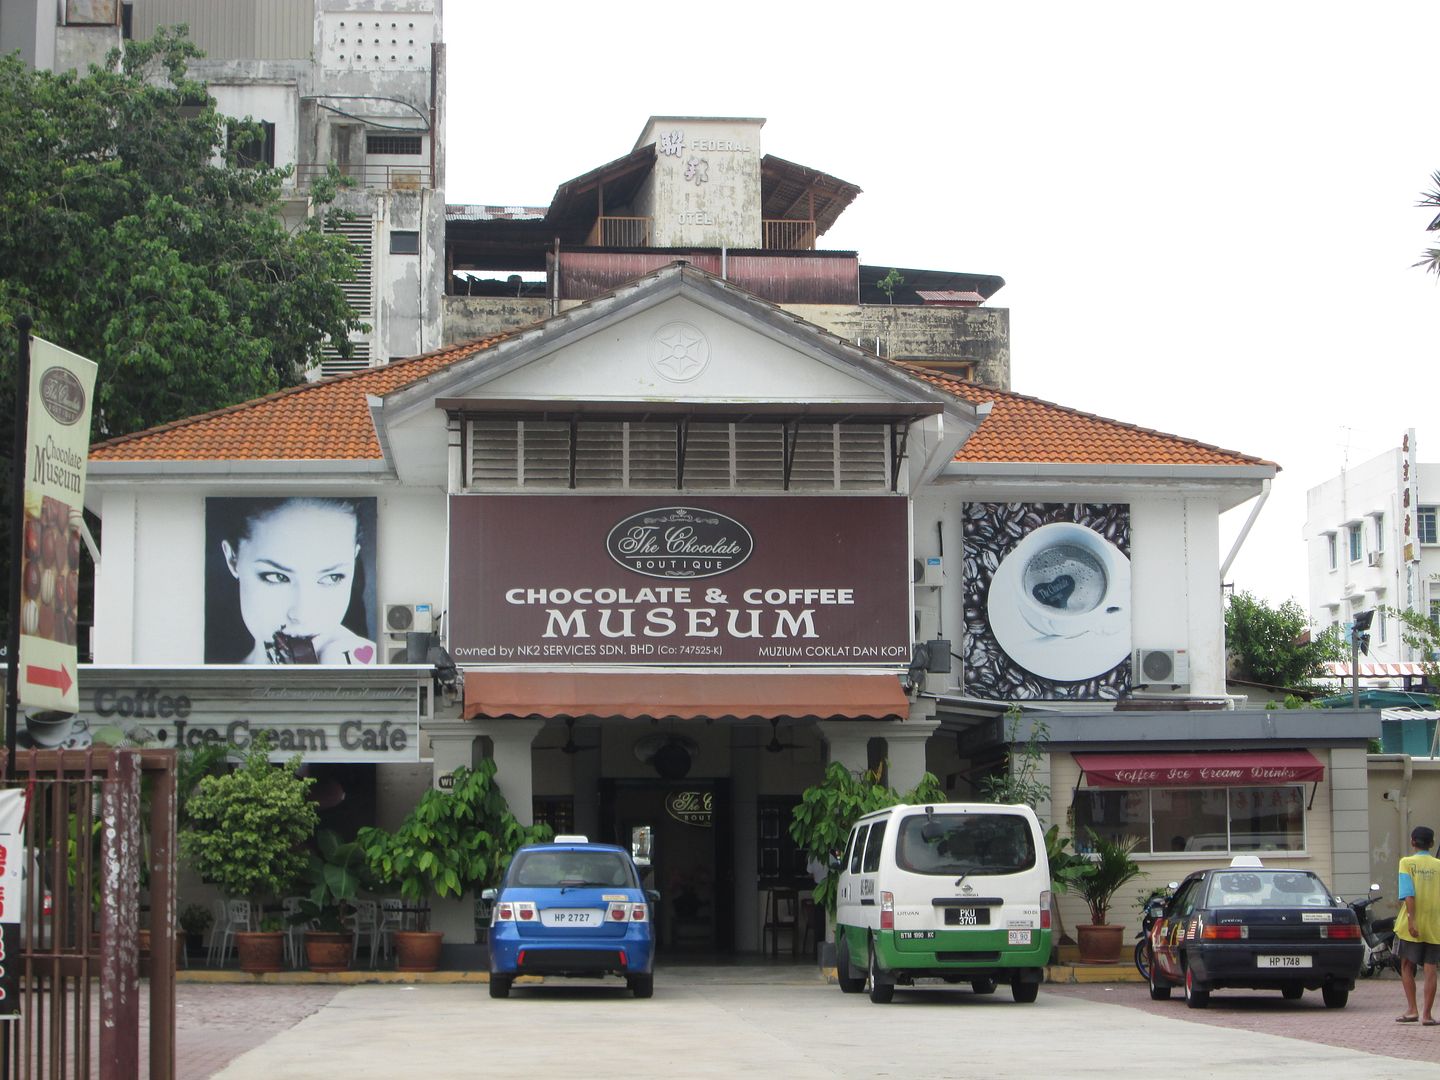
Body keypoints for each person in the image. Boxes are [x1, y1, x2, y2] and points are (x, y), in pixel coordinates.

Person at [207, 497, 376, 665]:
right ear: (232, 559)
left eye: (332, 577)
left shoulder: (367, 664)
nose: (303, 615)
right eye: (277, 577)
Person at [1395, 824, 1440, 1025]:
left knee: (1406, 965)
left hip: (1411, 925)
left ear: (1413, 842)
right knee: (1431, 969)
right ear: (1431, 844)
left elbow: (1408, 896)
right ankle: (1427, 1015)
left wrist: (1412, 921)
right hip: (1435, 924)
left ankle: (1412, 1009)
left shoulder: (1406, 863)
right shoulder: (1438, 865)